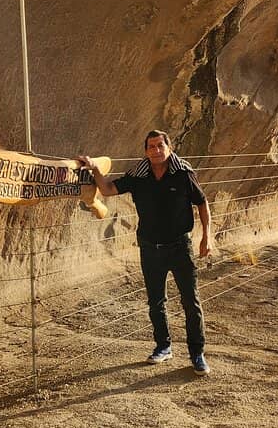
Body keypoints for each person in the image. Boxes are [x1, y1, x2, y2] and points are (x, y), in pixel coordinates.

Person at [77, 130, 214, 375]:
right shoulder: (139, 174)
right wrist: (95, 167)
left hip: (180, 247)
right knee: (155, 301)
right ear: (146, 151)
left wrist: (206, 236)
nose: (156, 150)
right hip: (150, 248)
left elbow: (202, 202)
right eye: (151, 146)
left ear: (169, 148)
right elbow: (107, 189)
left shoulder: (183, 173)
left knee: (190, 301)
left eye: (160, 145)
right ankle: (163, 347)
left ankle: (197, 353)